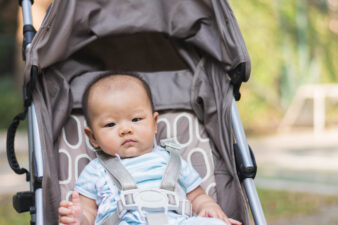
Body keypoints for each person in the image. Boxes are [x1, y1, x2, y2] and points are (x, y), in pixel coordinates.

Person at [58, 74, 242, 225]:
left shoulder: (171, 159)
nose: (125, 129)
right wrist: (79, 218)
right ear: (93, 137)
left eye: (136, 119)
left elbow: (196, 195)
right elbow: (89, 212)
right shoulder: (95, 170)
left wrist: (207, 207)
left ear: (154, 124)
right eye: (111, 124)